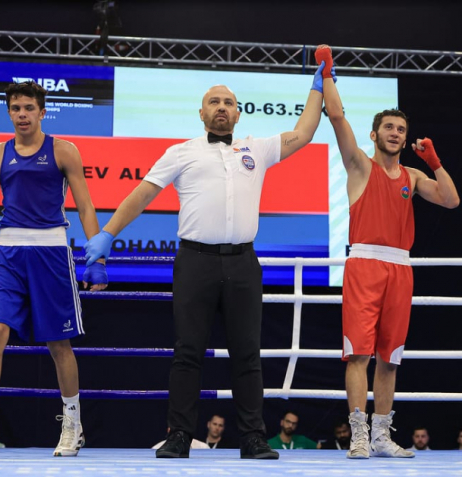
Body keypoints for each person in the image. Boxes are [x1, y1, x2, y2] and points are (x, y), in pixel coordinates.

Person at [84, 48, 328, 460]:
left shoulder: (258, 148)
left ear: (238, 113)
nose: (221, 108)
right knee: (188, 351)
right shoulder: (181, 152)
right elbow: (143, 194)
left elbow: (303, 132)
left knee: (247, 352)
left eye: (228, 102)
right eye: (213, 102)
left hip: (243, 263)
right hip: (195, 260)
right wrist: (107, 234)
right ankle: (179, 434)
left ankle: (252, 437)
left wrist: (319, 85)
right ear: (201, 114)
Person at [318, 45, 460, 460]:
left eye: (400, 128)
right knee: (358, 353)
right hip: (364, 263)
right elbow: (339, 118)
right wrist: (327, 74)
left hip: (400, 267)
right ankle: (359, 433)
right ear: (375, 133)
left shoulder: (414, 176)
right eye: (389, 128)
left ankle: (381, 436)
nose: (395, 133)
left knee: (390, 357)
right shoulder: (361, 166)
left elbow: (451, 201)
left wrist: (435, 162)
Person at [0, 80, 108, 458]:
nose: (22, 114)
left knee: (59, 343)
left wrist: (97, 258)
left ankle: (73, 424)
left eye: (28, 108)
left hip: (51, 251)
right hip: (8, 252)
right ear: (8, 112)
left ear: (42, 111)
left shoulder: (64, 150)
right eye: (16, 108)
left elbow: (85, 207)